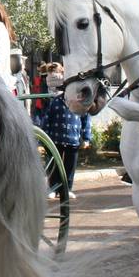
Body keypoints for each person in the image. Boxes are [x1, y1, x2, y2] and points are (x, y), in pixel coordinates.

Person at [30, 63, 91, 200]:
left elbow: (86, 119)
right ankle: (52, 188)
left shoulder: (80, 102)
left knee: (70, 167)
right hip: (55, 138)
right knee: (54, 165)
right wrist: (42, 140)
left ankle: (67, 189)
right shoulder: (55, 101)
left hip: (73, 138)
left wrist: (86, 138)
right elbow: (47, 119)